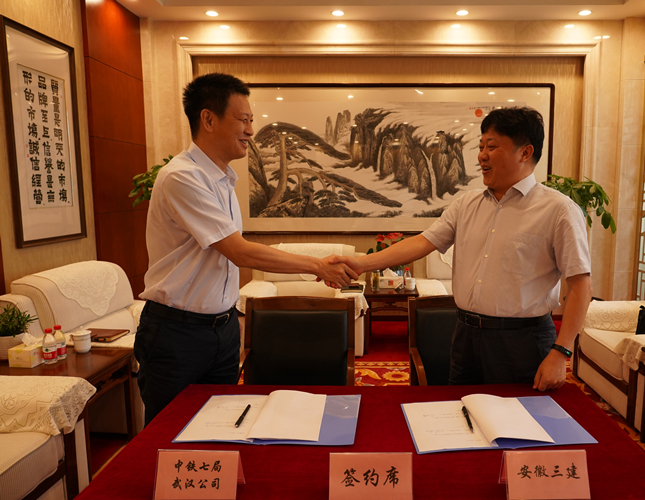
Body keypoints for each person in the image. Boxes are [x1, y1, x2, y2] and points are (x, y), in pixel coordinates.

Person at [135, 73, 357, 425]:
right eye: (243, 120)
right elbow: (240, 252)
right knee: (169, 434)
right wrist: (317, 265)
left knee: (219, 425)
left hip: (221, 329)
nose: (251, 131)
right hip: (178, 333)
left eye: (251, 121)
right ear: (208, 119)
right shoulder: (182, 177)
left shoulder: (223, 179)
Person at [335, 107, 592, 391]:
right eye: (481, 147)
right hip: (465, 335)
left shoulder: (558, 210)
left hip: (522, 341)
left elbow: (580, 285)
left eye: (491, 147)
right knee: (460, 409)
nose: (482, 155)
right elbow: (422, 242)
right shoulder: (466, 204)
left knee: (518, 415)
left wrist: (561, 351)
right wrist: (361, 264)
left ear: (525, 152)